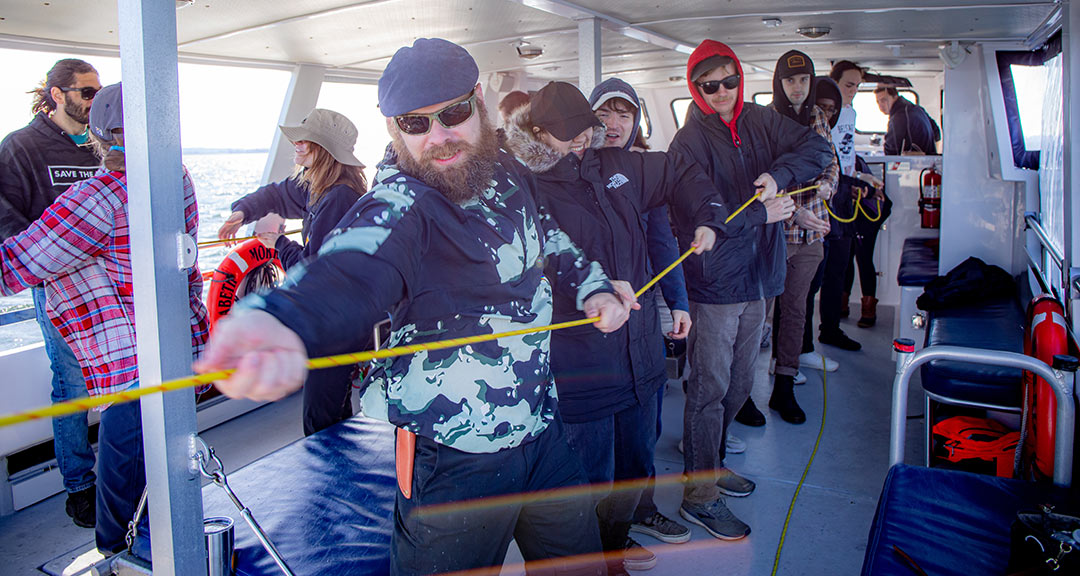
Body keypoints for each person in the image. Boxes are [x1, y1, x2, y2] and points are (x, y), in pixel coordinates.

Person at [197, 38, 638, 576]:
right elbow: (352, 263)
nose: (439, 137)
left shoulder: (507, 173)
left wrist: (593, 285)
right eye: (415, 123)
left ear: (477, 99)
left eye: (452, 114)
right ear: (392, 128)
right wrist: (282, 319)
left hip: (543, 430)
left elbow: (547, 236)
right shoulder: (403, 204)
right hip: (453, 461)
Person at [506, 81, 732, 573]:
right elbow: (528, 266)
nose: (584, 141)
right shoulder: (525, 188)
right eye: (570, 136)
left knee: (631, 478)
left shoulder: (620, 167)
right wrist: (596, 288)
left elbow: (682, 172)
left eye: (585, 130)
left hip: (642, 361)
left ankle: (613, 553)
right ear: (540, 134)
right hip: (580, 367)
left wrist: (708, 216)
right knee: (586, 486)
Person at [0, 83, 210, 558]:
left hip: (133, 366)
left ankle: (120, 559)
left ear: (96, 136)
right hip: (180, 348)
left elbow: (18, 265)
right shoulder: (177, 178)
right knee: (158, 469)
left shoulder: (98, 196)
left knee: (123, 477)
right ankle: (151, 547)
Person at [668, 39, 826, 539]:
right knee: (709, 390)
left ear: (740, 76)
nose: (720, 92)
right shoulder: (686, 143)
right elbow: (696, 214)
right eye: (707, 85)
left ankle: (712, 464)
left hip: (760, 275)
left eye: (728, 80)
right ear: (695, 90)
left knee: (740, 386)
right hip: (715, 284)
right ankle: (699, 495)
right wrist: (762, 211)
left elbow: (818, 149)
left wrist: (780, 177)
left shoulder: (760, 120)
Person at [588, 77, 694, 549]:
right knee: (600, 433)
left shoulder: (645, 172)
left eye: (624, 115)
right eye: (604, 114)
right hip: (591, 320)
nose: (613, 124)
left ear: (636, 123)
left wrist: (679, 302)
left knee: (644, 420)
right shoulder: (573, 170)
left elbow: (662, 242)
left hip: (643, 312)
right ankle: (603, 533)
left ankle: (642, 510)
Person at [217, 108, 367, 436]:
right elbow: (276, 194)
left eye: (305, 140)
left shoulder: (339, 197)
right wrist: (241, 212)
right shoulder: (317, 186)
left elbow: (315, 272)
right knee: (330, 411)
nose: (296, 144)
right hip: (329, 320)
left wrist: (277, 243)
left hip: (337, 324)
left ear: (324, 150)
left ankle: (332, 478)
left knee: (320, 419)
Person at [0, 58, 103, 528]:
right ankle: (79, 488)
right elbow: (7, 222)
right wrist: (51, 261)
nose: (93, 101)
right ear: (57, 94)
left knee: (128, 380)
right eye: (86, 93)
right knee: (72, 386)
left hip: (109, 287)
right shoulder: (21, 147)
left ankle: (126, 473)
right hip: (59, 292)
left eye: (98, 93)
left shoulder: (101, 145)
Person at [767, 50, 838, 423]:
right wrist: (799, 212)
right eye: (790, 80)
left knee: (796, 311)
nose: (797, 88)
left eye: (804, 80)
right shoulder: (766, 120)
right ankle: (742, 393)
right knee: (757, 318)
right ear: (779, 84)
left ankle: (784, 385)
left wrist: (827, 187)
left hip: (811, 237)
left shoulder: (818, 118)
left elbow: (831, 164)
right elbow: (764, 178)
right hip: (773, 235)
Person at [803, 77, 861, 362]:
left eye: (832, 109)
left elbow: (837, 165)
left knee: (837, 273)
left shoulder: (831, 135)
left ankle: (830, 329)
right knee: (808, 287)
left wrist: (857, 179)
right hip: (816, 219)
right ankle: (802, 348)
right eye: (822, 108)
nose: (827, 115)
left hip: (838, 214)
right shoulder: (806, 134)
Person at [876, 85, 941, 156]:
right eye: (878, 102)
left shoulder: (899, 116)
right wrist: (930, 155)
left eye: (883, 100)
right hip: (928, 163)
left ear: (895, 96)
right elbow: (936, 133)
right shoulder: (917, 109)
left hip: (914, 164)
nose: (880, 105)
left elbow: (891, 151)